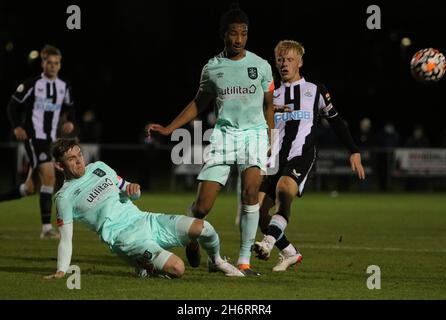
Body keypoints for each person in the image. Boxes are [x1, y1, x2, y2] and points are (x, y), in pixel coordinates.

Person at [146, 4, 275, 276]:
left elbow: (269, 106)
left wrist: (270, 136)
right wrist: (170, 128)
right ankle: (191, 235)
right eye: (233, 34)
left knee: (251, 193)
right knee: (203, 207)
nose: (239, 39)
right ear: (223, 35)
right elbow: (198, 104)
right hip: (224, 136)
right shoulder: (212, 68)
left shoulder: (261, 66)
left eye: (244, 33)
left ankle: (243, 262)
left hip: (254, 135)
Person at [44, 139, 243, 280]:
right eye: (71, 158)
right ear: (60, 166)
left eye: (79, 154)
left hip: (145, 219)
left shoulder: (100, 167)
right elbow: (66, 238)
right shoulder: (64, 197)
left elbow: (130, 191)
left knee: (204, 228)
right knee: (177, 269)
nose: (80, 161)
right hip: (126, 238)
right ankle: (142, 263)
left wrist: (134, 190)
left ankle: (216, 261)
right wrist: (62, 270)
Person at [253, 40, 365, 271]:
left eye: (290, 59)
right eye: (281, 59)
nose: (285, 64)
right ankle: (290, 252)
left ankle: (267, 243)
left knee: (284, 190)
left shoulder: (316, 90)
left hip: (301, 154)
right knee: (258, 212)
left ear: (300, 62)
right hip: (273, 159)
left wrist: (353, 150)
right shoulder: (270, 94)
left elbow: (336, 121)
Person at [1, 45, 75, 239]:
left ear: (60, 65)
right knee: (49, 176)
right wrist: (17, 127)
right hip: (35, 138)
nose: (52, 66)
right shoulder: (33, 84)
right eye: (49, 62)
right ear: (43, 63)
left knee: (30, 188)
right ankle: (46, 229)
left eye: (56, 63)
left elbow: (70, 108)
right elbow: (12, 106)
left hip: (51, 140)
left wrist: (69, 122)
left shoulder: (63, 86)